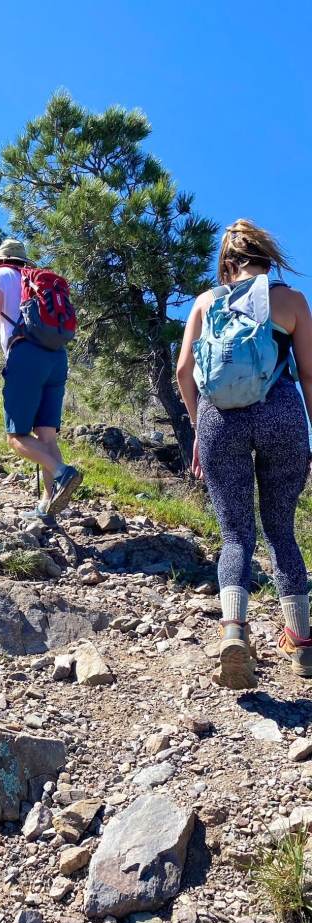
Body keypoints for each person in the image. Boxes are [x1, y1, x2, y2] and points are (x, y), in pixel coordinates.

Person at [177, 220, 312, 687]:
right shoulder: (291, 302)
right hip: (282, 415)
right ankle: (302, 643)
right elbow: (309, 374)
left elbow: (184, 371)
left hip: (220, 419)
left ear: (228, 264)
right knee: (281, 531)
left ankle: (234, 630)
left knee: (235, 535)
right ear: (267, 260)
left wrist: (199, 429)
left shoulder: (205, 302)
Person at [0, 238, 83, 519]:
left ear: (0, 260)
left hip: (26, 355)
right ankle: (48, 507)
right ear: (23, 261)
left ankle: (63, 472)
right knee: (47, 436)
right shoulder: (36, 280)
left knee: (16, 437)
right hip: (57, 357)